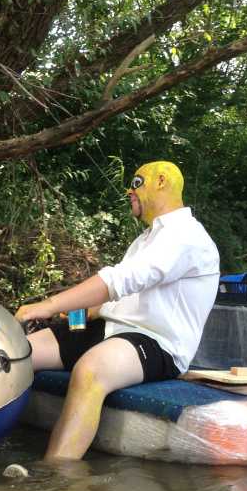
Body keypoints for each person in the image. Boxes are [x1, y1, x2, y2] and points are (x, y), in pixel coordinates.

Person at [15, 161, 220, 461]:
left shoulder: (186, 235)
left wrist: (47, 306)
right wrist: (75, 316)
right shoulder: (145, 240)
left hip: (155, 342)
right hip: (108, 329)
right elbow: (114, 301)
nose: (128, 191)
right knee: (17, 353)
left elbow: (118, 281)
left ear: (161, 181)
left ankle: (55, 473)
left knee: (90, 370)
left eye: (136, 182)